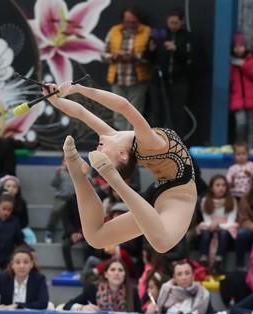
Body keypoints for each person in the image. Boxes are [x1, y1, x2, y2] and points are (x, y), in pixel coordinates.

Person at [43, 80, 196, 255]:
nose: (97, 149)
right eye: (104, 156)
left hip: (174, 196)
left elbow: (82, 112)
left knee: (160, 244)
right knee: (95, 238)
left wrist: (76, 90)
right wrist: (56, 99)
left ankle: (111, 177)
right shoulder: (146, 141)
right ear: (123, 155)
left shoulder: (120, 138)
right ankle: (78, 173)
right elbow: (121, 106)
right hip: (171, 193)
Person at [145, 8, 194, 134]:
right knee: (157, 112)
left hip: (178, 81)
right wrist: (151, 50)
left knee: (177, 112)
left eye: (176, 23)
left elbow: (191, 58)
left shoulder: (187, 37)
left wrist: (176, 49)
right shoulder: (159, 34)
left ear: (181, 22)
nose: (172, 26)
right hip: (158, 80)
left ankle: (177, 142)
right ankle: (157, 142)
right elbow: (148, 58)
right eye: (170, 23)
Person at [102, 7, 151, 131]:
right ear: (122, 21)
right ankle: (121, 139)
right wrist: (114, 56)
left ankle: (132, 141)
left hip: (137, 79)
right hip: (118, 78)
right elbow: (103, 54)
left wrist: (136, 57)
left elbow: (152, 57)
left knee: (135, 112)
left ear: (139, 21)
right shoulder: (114, 31)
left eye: (133, 22)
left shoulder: (147, 32)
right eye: (127, 22)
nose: (130, 25)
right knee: (118, 112)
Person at [0, 246, 49, 310]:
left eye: (26, 262)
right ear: (12, 265)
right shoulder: (3, 278)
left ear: (31, 265)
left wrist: (17, 306)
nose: (22, 266)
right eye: (18, 262)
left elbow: (42, 304)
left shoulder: (39, 279)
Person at [64, 259, 140, 313]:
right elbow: (67, 306)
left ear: (124, 275)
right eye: (113, 270)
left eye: (120, 270)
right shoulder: (93, 289)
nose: (117, 273)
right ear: (106, 274)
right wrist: (82, 308)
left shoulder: (132, 292)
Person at [229, 32, 253, 148]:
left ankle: (251, 147)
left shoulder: (251, 59)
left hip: (252, 99)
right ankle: (240, 147)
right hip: (238, 100)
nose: (238, 49)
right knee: (241, 124)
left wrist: (243, 65)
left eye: (241, 46)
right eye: (236, 46)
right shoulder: (231, 63)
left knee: (252, 126)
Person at [197, 175, 237, 274]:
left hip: (226, 229)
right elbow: (207, 221)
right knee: (205, 233)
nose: (221, 188)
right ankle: (203, 259)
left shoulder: (232, 201)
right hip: (209, 227)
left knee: (223, 233)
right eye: (218, 185)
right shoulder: (205, 201)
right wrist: (213, 225)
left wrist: (218, 225)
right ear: (211, 188)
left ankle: (218, 261)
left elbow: (231, 222)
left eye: (223, 185)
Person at [44, 156, 74, 244]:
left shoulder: (77, 172)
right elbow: (54, 184)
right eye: (65, 161)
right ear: (62, 162)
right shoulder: (60, 172)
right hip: (61, 197)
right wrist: (57, 174)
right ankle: (49, 231)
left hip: (74, 198)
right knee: (56, 211)